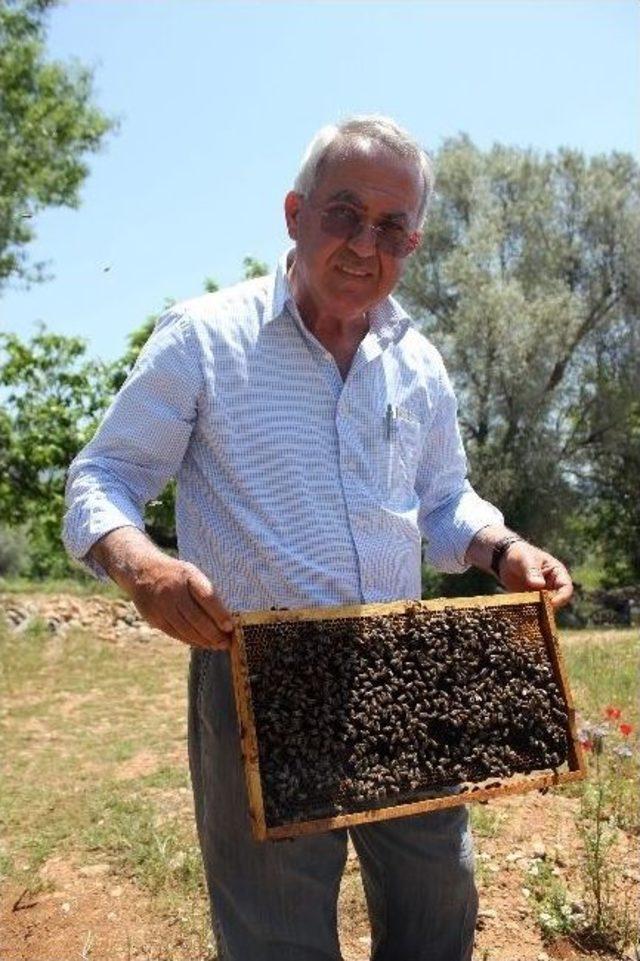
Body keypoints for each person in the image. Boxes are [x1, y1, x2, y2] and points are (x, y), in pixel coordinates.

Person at [63, 115, 573, 961]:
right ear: (295, 212)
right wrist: (142, 565)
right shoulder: (205, 338)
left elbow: (444, 501)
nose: (364, 243)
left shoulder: (419, 363)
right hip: (257, 676)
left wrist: (500, 548)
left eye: (392, 228)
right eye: (343, 212)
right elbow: (101, 478)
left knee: (438, 905)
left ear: (413, 240)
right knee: (275, 935)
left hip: (404, 676)